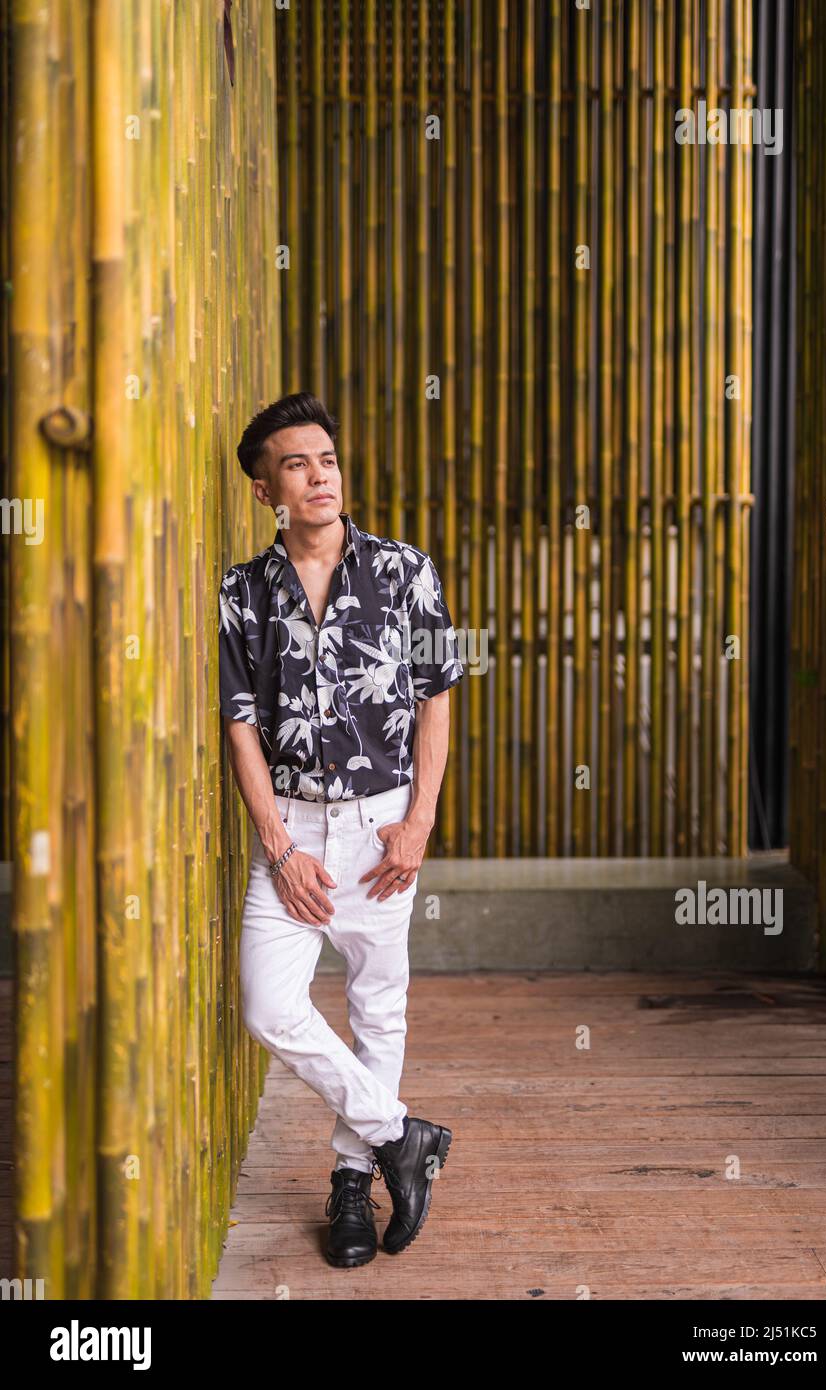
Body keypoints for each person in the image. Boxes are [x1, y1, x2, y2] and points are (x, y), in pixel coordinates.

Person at [218, 390, 464, 1266]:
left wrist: (417, 823)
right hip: (289, 832)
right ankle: (404, 1136)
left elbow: (436, 698)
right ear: (265, 491)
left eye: (325, 459)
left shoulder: (406, 570)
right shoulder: (241, 592)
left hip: (382, 827)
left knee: (377, 1010)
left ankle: (351, 1185)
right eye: (296, 464)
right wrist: (278, 849)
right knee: (270, 1005)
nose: (319, 477)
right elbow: (241, 725)